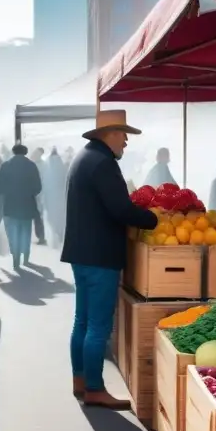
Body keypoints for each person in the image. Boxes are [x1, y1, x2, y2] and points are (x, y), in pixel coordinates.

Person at [62, 112, 157, 407]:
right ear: (110, 134)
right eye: (124, 134)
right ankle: (95, 387)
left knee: (83, 320)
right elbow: (120, 210)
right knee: (99, 326)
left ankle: (80, 378)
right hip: (100, 254)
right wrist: (152, 218)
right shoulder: (104, 164)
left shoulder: (83, 158)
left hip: (81, 253)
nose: (126, 142)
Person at [0, 143, 42, 270]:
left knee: (12, 232)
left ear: (13, 152)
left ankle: (15, 257)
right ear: (26, 152)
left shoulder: (6, 165)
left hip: (10, 205)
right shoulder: (31, 166)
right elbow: (38, 187)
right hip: (27, 205)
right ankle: (26, 256)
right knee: (26, 231)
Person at [45, 146, 67, 247]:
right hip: (60, 196)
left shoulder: (48, 165)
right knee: (60, 217)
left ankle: (55, 236)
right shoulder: (62, 165)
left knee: (52, 217)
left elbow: (45, 182)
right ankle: (60, 234)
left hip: (51, 196)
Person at [30, 147, 47, 245]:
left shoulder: (42, 165)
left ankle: (41, 237)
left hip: (38, 194)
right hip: (31, 193)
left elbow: (44, 180)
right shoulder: (31, 163)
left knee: (38, 217)